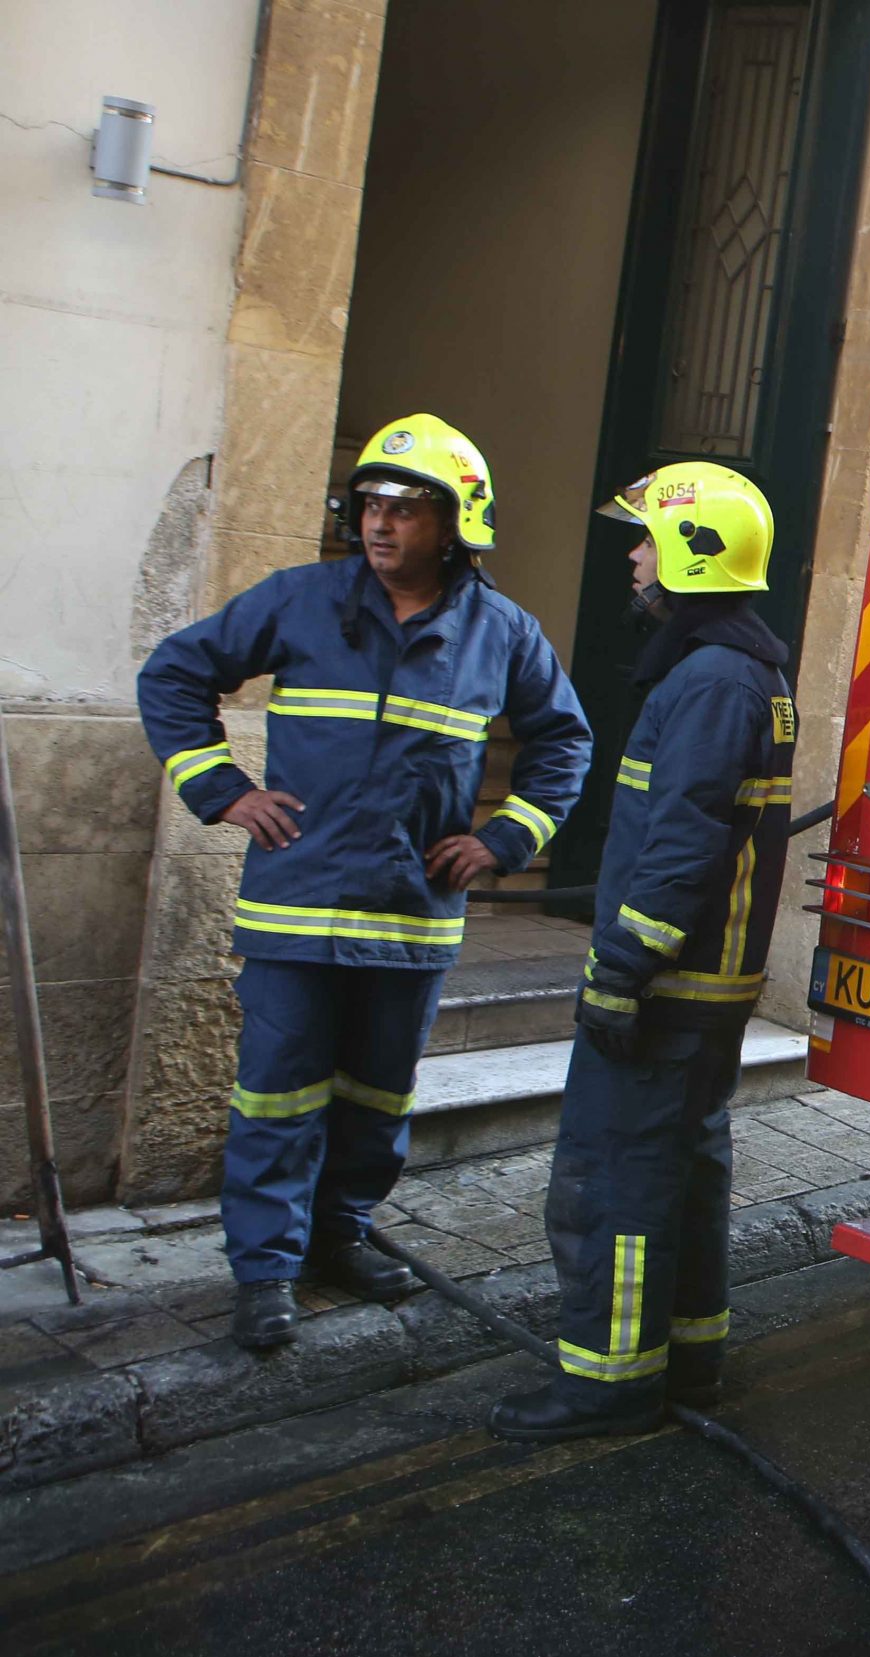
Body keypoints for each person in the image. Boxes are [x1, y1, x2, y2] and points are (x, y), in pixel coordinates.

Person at [138, 414, 592, 1351]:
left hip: (410, 916)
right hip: (296, 904)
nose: (381, 525)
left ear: (458, 522)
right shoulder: (298, 600)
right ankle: (264, 1271)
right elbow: (175, 674)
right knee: (276, 1093)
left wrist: (504, 838)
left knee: (378, 1096)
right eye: (372, 505)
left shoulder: (502, 631)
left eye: (408, 509)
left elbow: (565, 743)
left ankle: (339, 1239)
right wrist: (223, 791)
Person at [489, 462, 796, 1441]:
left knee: (614, 1178)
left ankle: (608, 1383)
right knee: (683, 1170)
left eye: (645, 540)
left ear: (692, 555)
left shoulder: (709, 680)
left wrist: (622, 968)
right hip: (703, 990)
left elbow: (683, 841)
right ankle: (689, 1359)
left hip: (666, 988)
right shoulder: (739, 672)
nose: (631, 556)